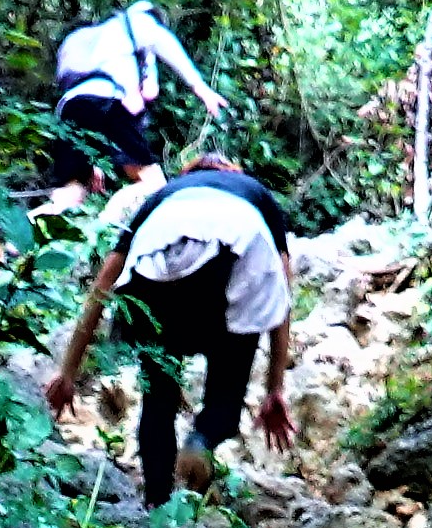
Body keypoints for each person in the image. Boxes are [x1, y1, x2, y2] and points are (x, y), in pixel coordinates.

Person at [44, 159, 297, 505]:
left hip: (157, 277)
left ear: (187, 176)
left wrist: (68, 372)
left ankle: (156, 503)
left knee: (158, 401)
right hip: (238, 255)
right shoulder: (255, 194)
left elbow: (103, 285)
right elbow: (280, 292)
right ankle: (202, 439)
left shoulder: (167, 195)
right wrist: (275, 389)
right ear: (231, 174)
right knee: (224, 397)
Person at [34, 0, 223, 207]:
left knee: (71, 190)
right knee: (153, 183)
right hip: (110, 102)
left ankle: (18, 237)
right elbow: (152, 85)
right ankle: (107, 222)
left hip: (70, 105)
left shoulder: (88, 37)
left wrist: (94, 158)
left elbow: (79, 95)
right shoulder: (139, 23)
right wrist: (199, 86)